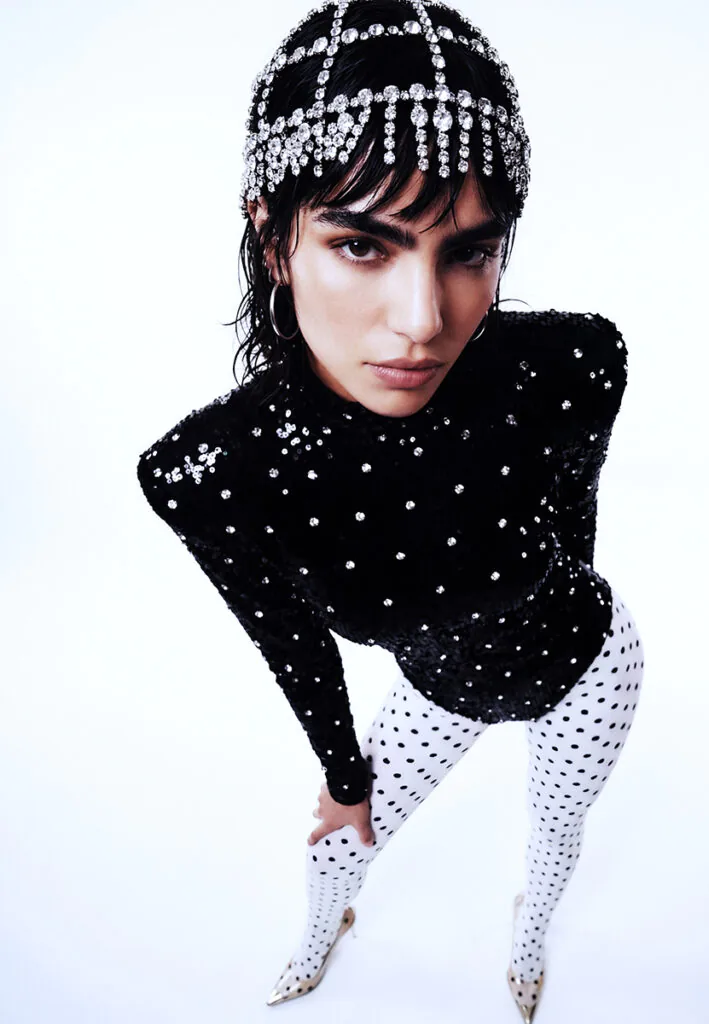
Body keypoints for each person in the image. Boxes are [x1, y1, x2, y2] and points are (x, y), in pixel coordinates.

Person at [135, 1, 645, 1020]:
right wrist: (344, 775)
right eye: (363, 246)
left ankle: (529, 942)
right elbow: (290, 643)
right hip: (441, 693)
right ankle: (319, 935)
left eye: (468, 252)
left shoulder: (571, 361)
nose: (422, 320)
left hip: (589, 667)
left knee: (557, 836)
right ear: (273, 239)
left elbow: (575, 530)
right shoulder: (213, 472)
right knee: (338, 843)